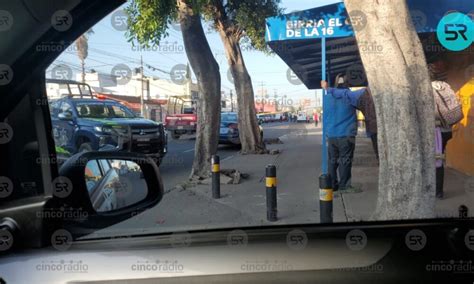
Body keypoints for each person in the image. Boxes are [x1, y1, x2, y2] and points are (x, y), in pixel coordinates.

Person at [320, 74, 366, 193]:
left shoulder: (327, 98)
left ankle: (332, 185)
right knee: (345, 161)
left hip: (331, 135)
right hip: (346, 135)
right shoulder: (347, 95)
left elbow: (325, 116)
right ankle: (344, 185)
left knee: (332, 161)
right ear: (347, 84)